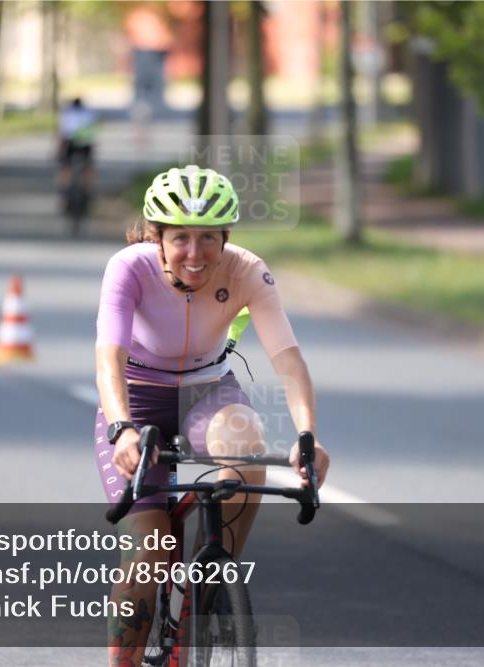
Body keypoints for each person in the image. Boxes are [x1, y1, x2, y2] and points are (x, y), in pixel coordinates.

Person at [94, 165, 331, 666]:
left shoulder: (246, 271)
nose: (196, 254)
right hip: (137, 397)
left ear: (227, 236)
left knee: (248, 455)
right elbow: (109, 356)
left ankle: (211, 586)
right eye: (181, 238)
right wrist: (122, 428)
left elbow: (288, 358)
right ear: (157, 237)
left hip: (207, 391)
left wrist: (308, 435)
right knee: (151, 555)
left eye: (209, 239)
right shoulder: (128, 267)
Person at [57, 97, 97, 192]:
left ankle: (64, 189)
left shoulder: (67, 113)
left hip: (70, 142)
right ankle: (88, 189)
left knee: (65, 166)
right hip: (86, 143)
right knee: (88, 167)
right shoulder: (89, 113)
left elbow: (63, 133)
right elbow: (92, 133)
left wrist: (59, 150)